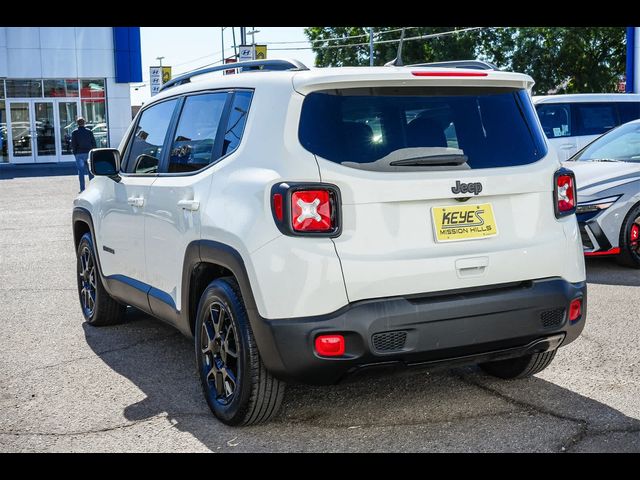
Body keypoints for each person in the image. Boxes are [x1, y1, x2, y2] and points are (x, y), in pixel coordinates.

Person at [71, 117, 96, 192]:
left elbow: (73, 144)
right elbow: (93, 142)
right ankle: (92, 188)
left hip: (79, 154)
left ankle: (82, 189)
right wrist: (93, 152)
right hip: (88, 153)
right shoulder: (89, 131)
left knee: (81, 172)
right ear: (84, 123)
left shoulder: (74, 132)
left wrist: (75, 153)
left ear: (77, 123)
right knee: (91, 171)